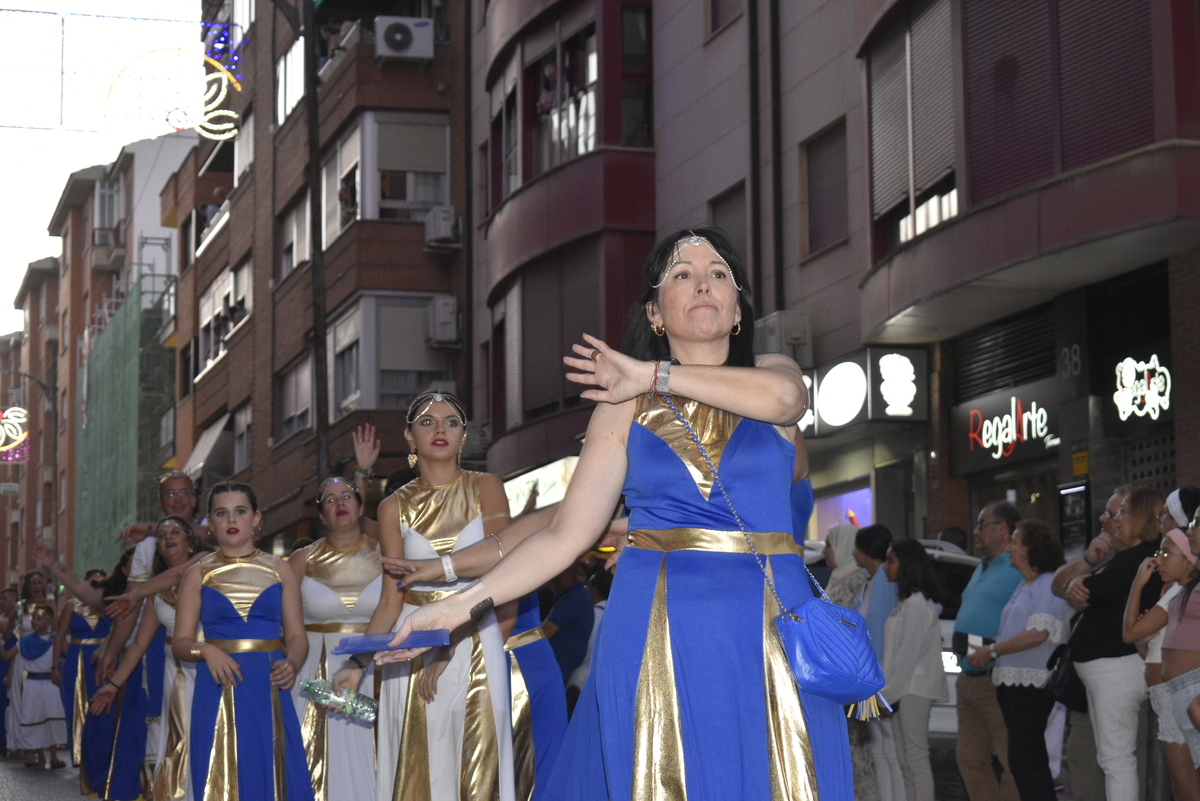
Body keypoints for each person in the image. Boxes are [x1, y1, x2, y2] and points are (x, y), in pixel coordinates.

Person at [377, 228, 853, 800]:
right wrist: (457, 607)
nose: (703, 282)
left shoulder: (773, 372)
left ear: (736, 312)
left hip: (774, 621)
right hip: (659, 621)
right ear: (655, 313)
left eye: (719, 273)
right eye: (682, 273)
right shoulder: (622, 406)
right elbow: (563, 535)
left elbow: (786, 402)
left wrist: (650, 375)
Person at [332, 390, 518, 801]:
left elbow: (509, 574)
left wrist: (461, 640)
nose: (440, 430)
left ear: (464, 437)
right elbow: (389, 601)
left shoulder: (487, 487)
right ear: (410, 438)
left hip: (476, 638)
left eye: (451, 422)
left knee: (477, 762)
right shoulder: (392, 506)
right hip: (412, 645)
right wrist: (357, 664)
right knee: (420, 765)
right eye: (428, 422)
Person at [171, 482, 313, 800]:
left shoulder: (282, 570)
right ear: (210, 523)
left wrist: (292, 663)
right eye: (222, 513)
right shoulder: (197, 573)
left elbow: (296, 637)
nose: (232, 520)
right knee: (218, 778)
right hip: (217, 685)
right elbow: (180, 642)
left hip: (269, 684)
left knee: (277, 773)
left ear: (256, 518)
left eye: (240, 512)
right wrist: (205, 648)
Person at [89, 517, 211, 801]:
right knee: (170, 751)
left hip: (206, 669)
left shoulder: (206, 561)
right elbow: (139, 644)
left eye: (176, 532)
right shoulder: (156, 592)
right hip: (173, 675)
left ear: (190, 541)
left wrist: (136, 592)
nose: (168, 537)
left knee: (203, 746)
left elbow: (181, 574)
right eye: (162, 534)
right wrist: (114, 686)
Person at [287, 476, 382, 801]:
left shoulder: (387, 556)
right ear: (322, 515)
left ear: (359, 506)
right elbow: (284, 624)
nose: (340, 503)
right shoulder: (301, 560)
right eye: (330, 499)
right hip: (315, 674)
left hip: (376, 669)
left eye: (346, 496)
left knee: (374, 755)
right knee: (315, 757)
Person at [1069, 486, 1164, 801]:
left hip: (1118, 670)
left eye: (1123, 512)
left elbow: (1088, 590)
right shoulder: (1131, 557)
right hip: (1110, 671)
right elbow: (1078, 590)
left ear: (1137, 518)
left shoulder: (1139, 558)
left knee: (1116, 760)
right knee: (1113, 758)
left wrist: (1077, 582)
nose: (1117, 520)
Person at [969, 519, 1069, 801]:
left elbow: (1037, 634)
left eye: (1015, 542)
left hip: (1032, 684)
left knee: (1028, 760)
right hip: (1012, 683)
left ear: (1029, 549)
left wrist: (992, 652)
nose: (1009, 548)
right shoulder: (1025, 585)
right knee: (1022, 759)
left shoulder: (1048, 583)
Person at [1052, 485, 1129, 801]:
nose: (1102, 518)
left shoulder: (1142, 558)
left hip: (1120, 681)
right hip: (1085, 688)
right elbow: (1059, 586)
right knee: (1083, 758)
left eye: (1111, 514)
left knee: (1120, 765)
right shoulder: (1103, 556)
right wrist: (1087, 560)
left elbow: (1082, 599)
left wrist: (1078, 590)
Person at [1123, 509, 1200, 800]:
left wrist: (1137, 584)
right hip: (1176, 693)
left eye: (1167, 554)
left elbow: (1129, 632)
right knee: (1184, 790)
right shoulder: (1181, 591)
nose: (1159, 560)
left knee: (1189, 789)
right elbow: (1142, 643)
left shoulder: (1182, 591)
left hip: (1190, 691)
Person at [953, 502, 1024, 801]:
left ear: (1002, 529)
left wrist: (993, 649)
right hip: (968, 678)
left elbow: (1026, 618)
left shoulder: (1017, 566)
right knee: (970, 758)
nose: (976, 531)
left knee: (1010, 760)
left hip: (995, 677)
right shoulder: (981, 566)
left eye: (982, 524)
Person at [881, 539, 948, 801]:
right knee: (904, 761)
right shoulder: (905, 602)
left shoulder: (918, 603)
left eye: (891, 560)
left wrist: (888, 695)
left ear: (907, 565)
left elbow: (908, 656)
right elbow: (894, 656)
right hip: (901, 689)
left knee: (916, 759)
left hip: (914, 689)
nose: (886, 566)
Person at [853, 524, 905, 801]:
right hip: (867, 674)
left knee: (891, 747)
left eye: (857, 548)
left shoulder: (885, 582)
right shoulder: (868, 582)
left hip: (882, 672)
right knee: (879, 748)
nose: (853, 553)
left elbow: (885, 630)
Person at [52, 567, 111, 770]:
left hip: (102, 658)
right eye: (92, 583)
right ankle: (79, 753)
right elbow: (59, 636)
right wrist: (55, 667)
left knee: (102, 704)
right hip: (76, 659)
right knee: (76, 704)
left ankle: (103, 753)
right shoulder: (71, 605)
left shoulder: (109, 605)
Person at [6, 569, 57, 767]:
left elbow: (58, 629)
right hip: (24, 659)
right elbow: (11, 635)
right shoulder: (20, 607)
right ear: (27, 586)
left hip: (45, 656)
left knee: (47, 704)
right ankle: (28, 749)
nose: (37, 586)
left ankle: (50, 752)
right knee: (26, 704)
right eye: (33, 583)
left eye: (39, 582)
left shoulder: (51, 604)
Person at [13, 604, 66, 769]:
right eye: (33, 618)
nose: (35, 621)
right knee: (36, 719)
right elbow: (8, 655)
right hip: (33, 685)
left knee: (51, 718)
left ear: (49, 621)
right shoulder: (26, 641)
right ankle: (41, 757)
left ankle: (54, 756)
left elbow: (69, 654)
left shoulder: (56, 639)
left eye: (39, 618)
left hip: (51, 684)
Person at [543, 563, 594, 684]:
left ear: (565, 575)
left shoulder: (573, 598)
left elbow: (543, 634)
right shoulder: (578, 595)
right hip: (562, 671)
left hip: (559, 672)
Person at [825, 523, 867, 608]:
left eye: (828, 545)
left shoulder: (855, 581)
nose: (824, 551)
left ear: (843, 547)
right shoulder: (840, 576)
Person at [0, 588, 16, 756]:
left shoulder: (27, 618)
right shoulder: (3, 620)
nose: (1, 602)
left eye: (4, 598)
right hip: (5, 663)